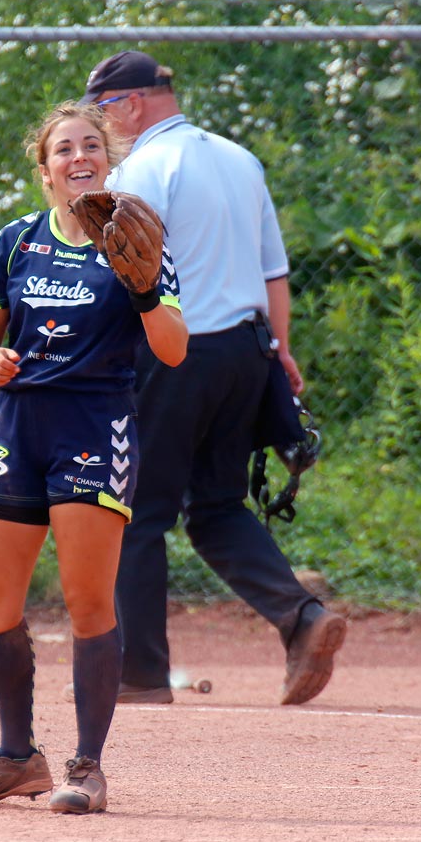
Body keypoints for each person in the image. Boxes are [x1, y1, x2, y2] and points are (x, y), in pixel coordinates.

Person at [80, 50, 348, 707]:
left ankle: (140, 674)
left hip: (177, 354)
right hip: (246, 353)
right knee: (219, 507)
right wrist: (280, 351)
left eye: (106, 111)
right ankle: (302, 617)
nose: (105, 126)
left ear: (133, 104)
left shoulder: (144, 166)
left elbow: (128, 272)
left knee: (138, 514)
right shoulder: (239, 158)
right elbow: (273, 270)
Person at [0, 103, 188, 816]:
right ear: (45, 168)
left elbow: (173, 348)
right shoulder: (17, 242)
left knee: (86, 601)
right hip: (17, 426)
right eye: (63, 149)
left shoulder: (136, 240)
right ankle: (17, 756)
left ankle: (87, 767)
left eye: (90, 146)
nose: (78, 157)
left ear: (106, 160)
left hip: (93, 424)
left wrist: (142, 288)